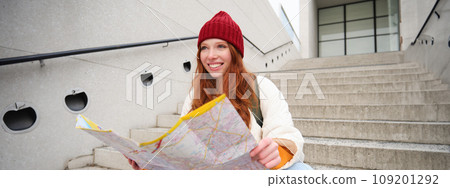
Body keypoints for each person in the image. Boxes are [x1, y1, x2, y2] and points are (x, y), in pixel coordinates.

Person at [127, 11, 312, 170]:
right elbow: (182, 149)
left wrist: (278, 151)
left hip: (255, 174)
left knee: (302, 171)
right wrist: (153, 164)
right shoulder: (194, 96)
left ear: (235, 52)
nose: (211, 55)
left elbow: (286, 133)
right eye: (204, 48)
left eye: (221, 46)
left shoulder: (261, 86)